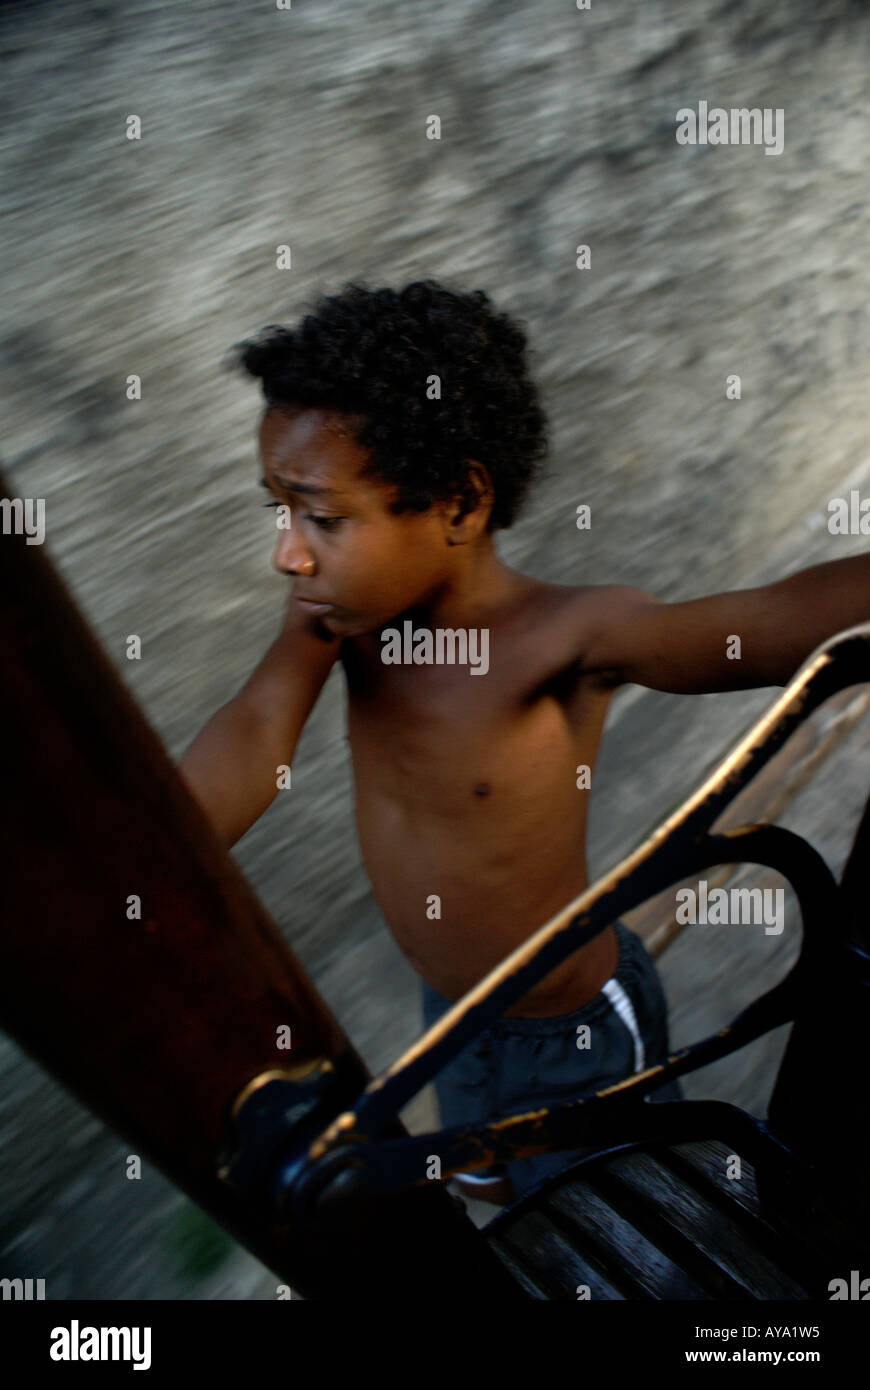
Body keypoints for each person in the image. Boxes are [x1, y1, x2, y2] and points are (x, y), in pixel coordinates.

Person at [179, 279, 870, 1205]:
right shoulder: (331, 617)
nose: (288, 554)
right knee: (502, 1198)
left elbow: (768, 623)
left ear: (460, 502)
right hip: (452, 1020)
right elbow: (257, 731)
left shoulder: (568, 639)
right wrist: (139, 861)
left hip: (572, 1031)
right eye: (280, 510)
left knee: (616, 1214)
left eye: (321, 517)